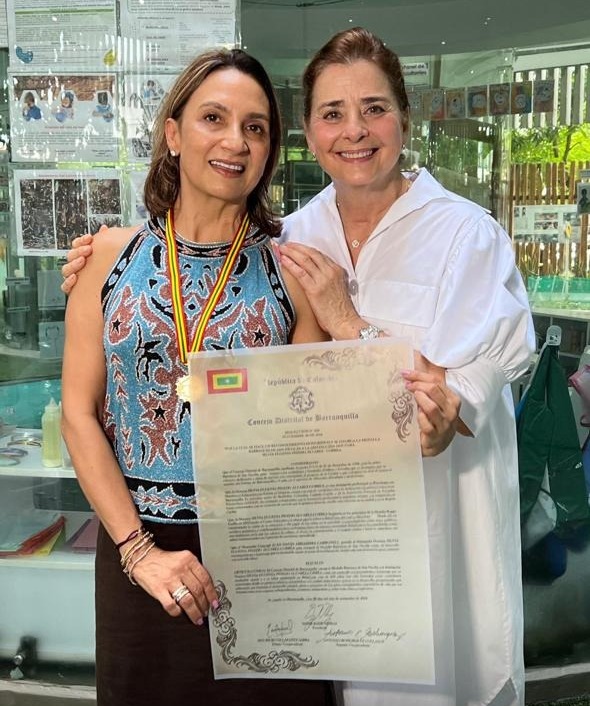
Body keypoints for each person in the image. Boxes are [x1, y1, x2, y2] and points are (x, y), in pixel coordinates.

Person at [61, 27, 531, 706]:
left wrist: (353, 326)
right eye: (332, 113)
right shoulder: (291, 237)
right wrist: (96, 264)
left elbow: (436, 400)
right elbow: (80, 407)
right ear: (309, 134)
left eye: (374, 108)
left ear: (404, 116)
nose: (355, 131)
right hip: (195, 544)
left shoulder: (456, 236)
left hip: (362, 537)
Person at [61, 47, 336, 706]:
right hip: (139, 553)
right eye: (214, 117)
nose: (236, 141)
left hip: (263, 555)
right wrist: (138, 552)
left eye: (257, 127)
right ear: (174, 133)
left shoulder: (293, 277)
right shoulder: (103, 260)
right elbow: (78, 413)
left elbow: (319, 439)